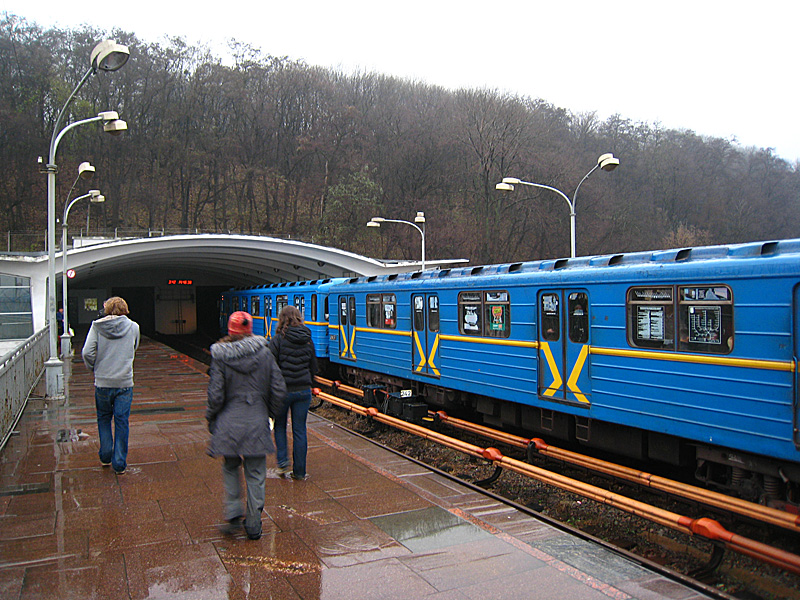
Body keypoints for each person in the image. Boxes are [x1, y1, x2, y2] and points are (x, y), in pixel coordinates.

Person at [207, 311, 286, 540]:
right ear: (250, 330)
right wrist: (268, 414)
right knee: (256, 473)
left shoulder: (220, 356)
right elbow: (279, 389)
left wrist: (211, 417)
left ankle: (233, 513)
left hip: (228, 422)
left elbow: (215, 394)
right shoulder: (265, 354)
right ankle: (253, 523)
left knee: (231, 467)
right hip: (256, 420)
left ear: (230, 330)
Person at [82, 296, 140, 475]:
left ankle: (106, 455)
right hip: (124, 382)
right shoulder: (134, 327)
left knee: (104, 418)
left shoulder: (97, 327)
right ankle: (119, 463)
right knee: (122, 421)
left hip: (103, 381)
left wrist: (95, 368)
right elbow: (134, 348)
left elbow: (87, 352)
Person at [269, 305, 317, 481]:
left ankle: (282, 462)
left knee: (280, 426)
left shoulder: (277, 340)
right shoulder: (308, 339)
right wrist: (310, 383)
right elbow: (313, 366)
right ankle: (300, 471)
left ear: (282, 319)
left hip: (282, 391)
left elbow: (270, 367)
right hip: (303, 391)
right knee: (300, 430)